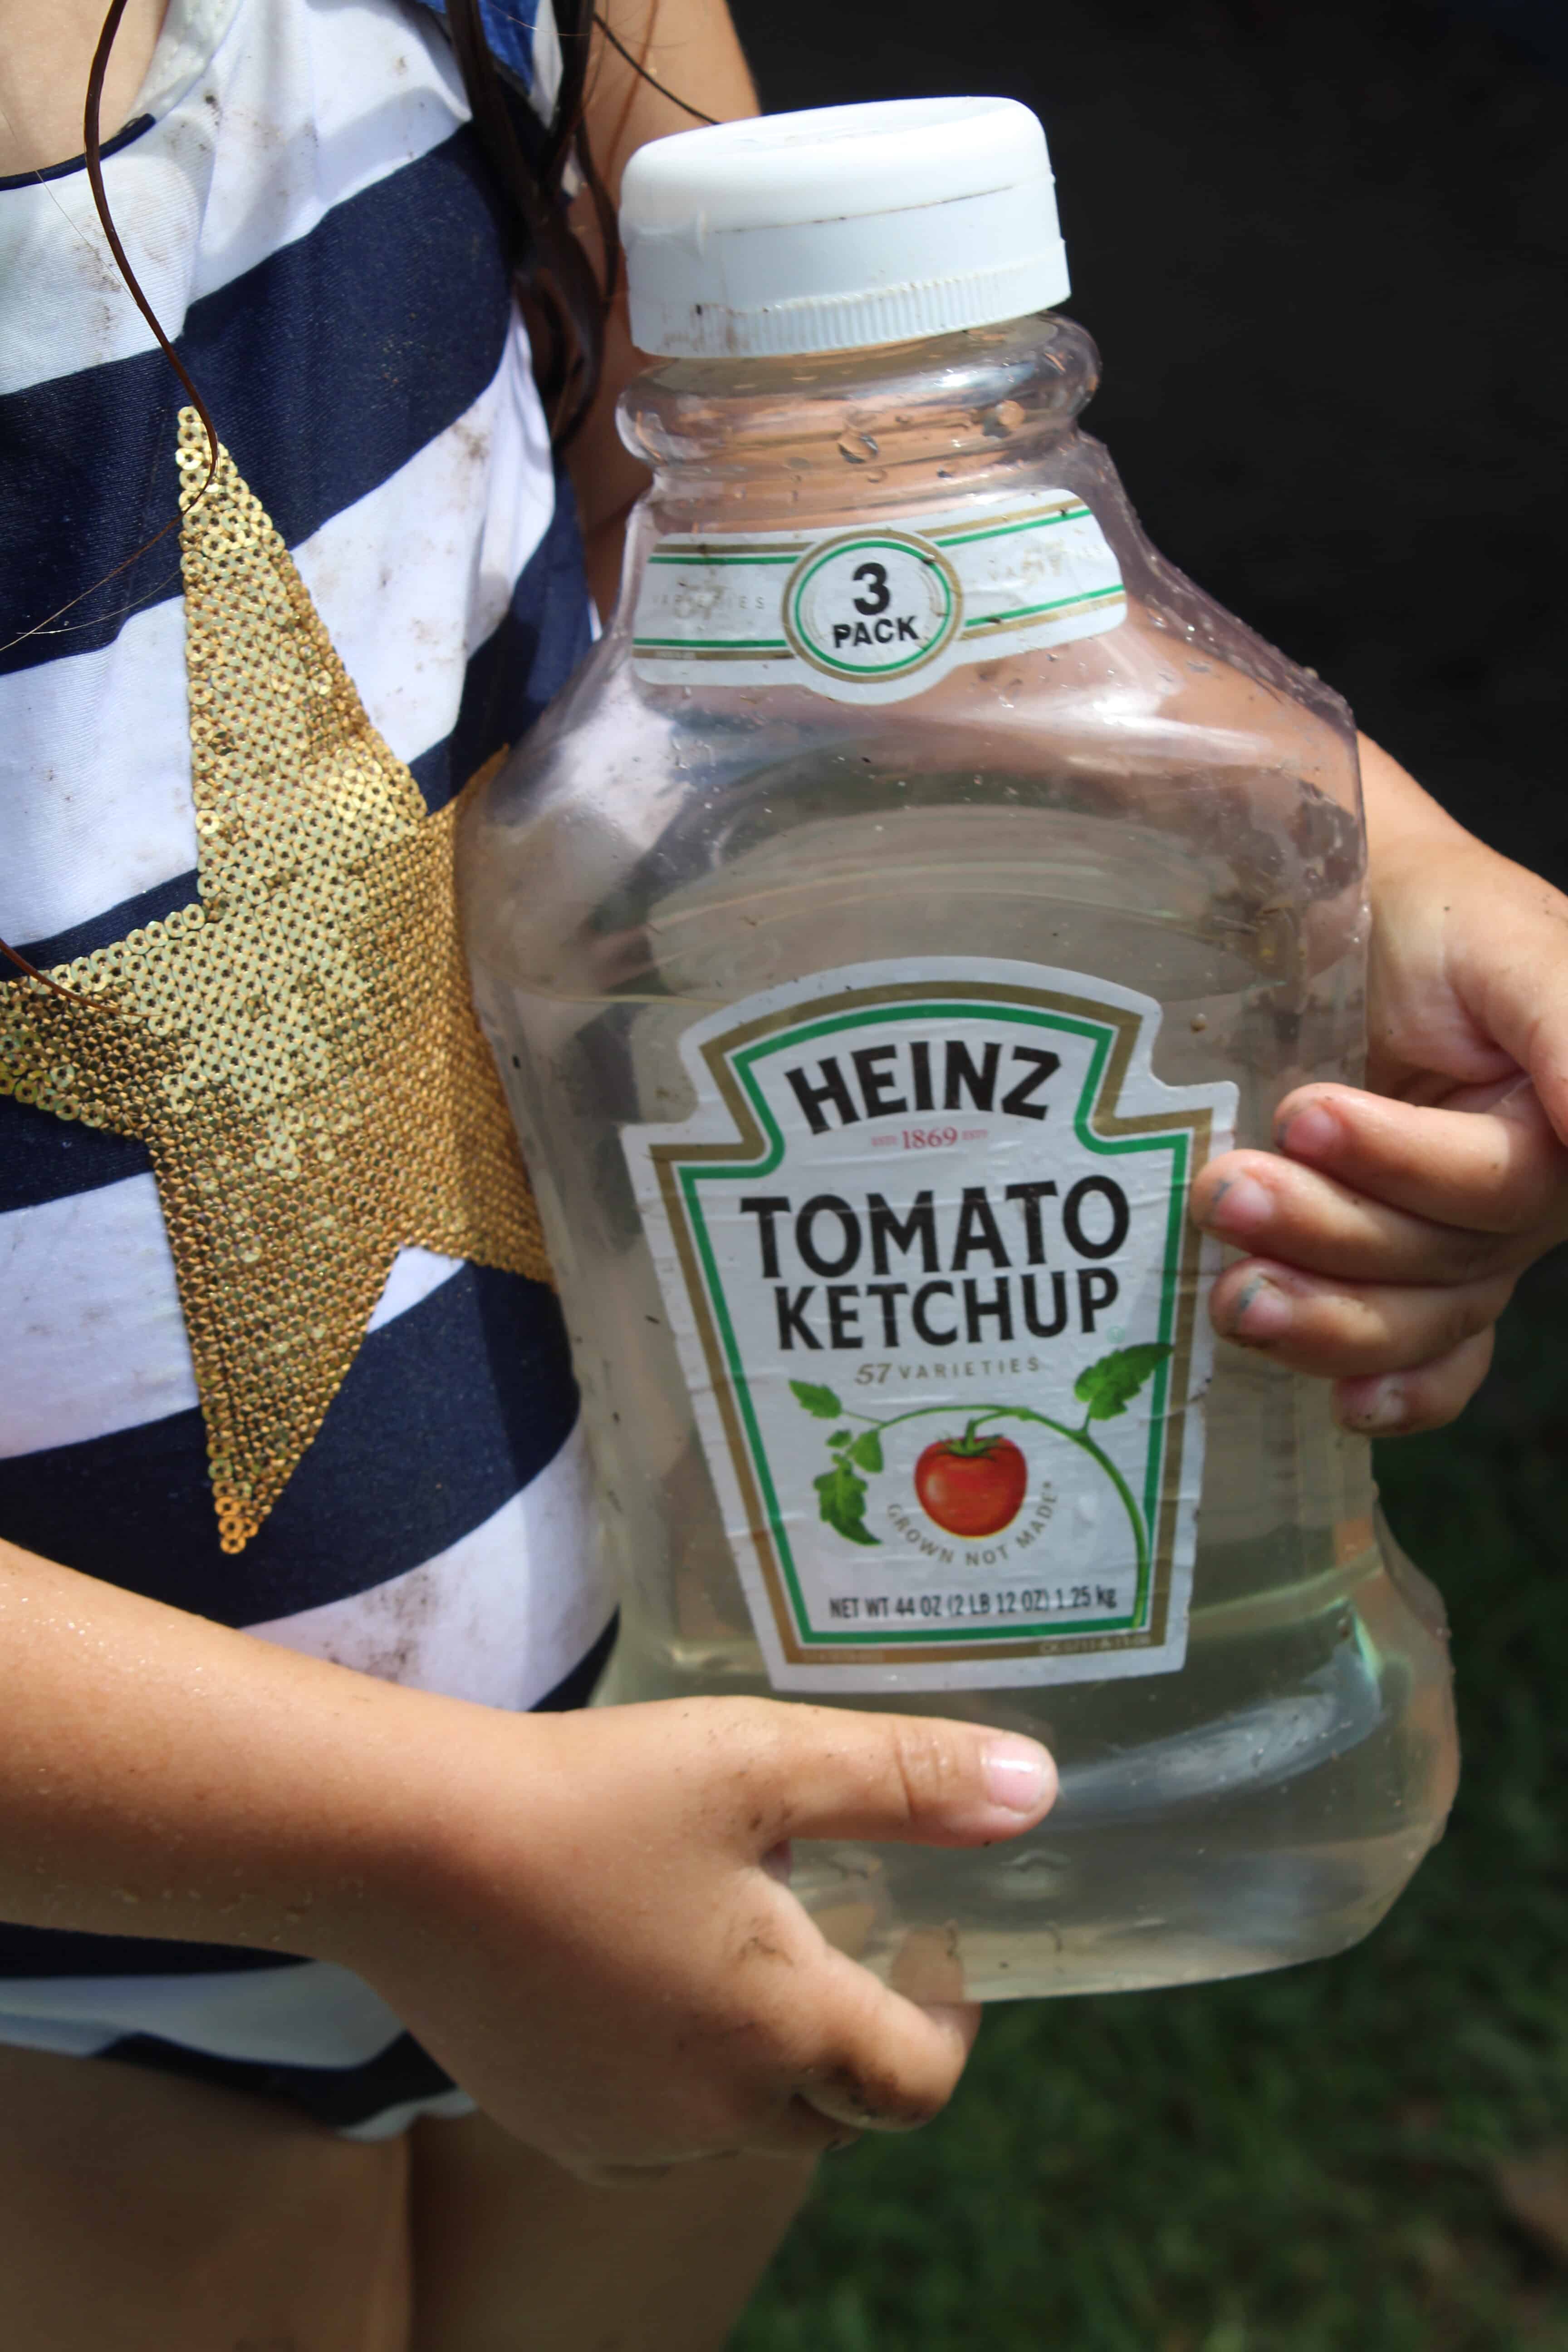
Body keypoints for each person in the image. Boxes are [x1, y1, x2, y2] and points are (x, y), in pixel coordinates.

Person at [0, 2, 1563, 2347]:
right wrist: (408, 1846)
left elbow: (816, 471)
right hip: (86, 1950)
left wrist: (1355, 868)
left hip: (695, 1736)